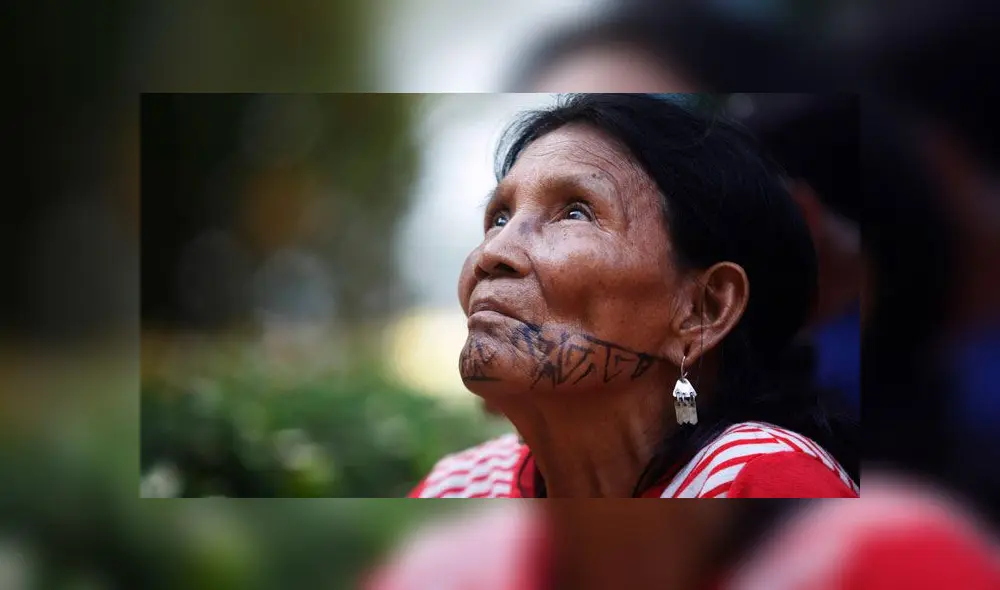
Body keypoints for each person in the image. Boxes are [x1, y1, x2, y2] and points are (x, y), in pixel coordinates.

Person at [409, 94, 858, 498]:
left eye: (575, 212)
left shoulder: (762, 485)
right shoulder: (461, 486)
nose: (492, 253)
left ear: (703, 310)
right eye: (500, 217)